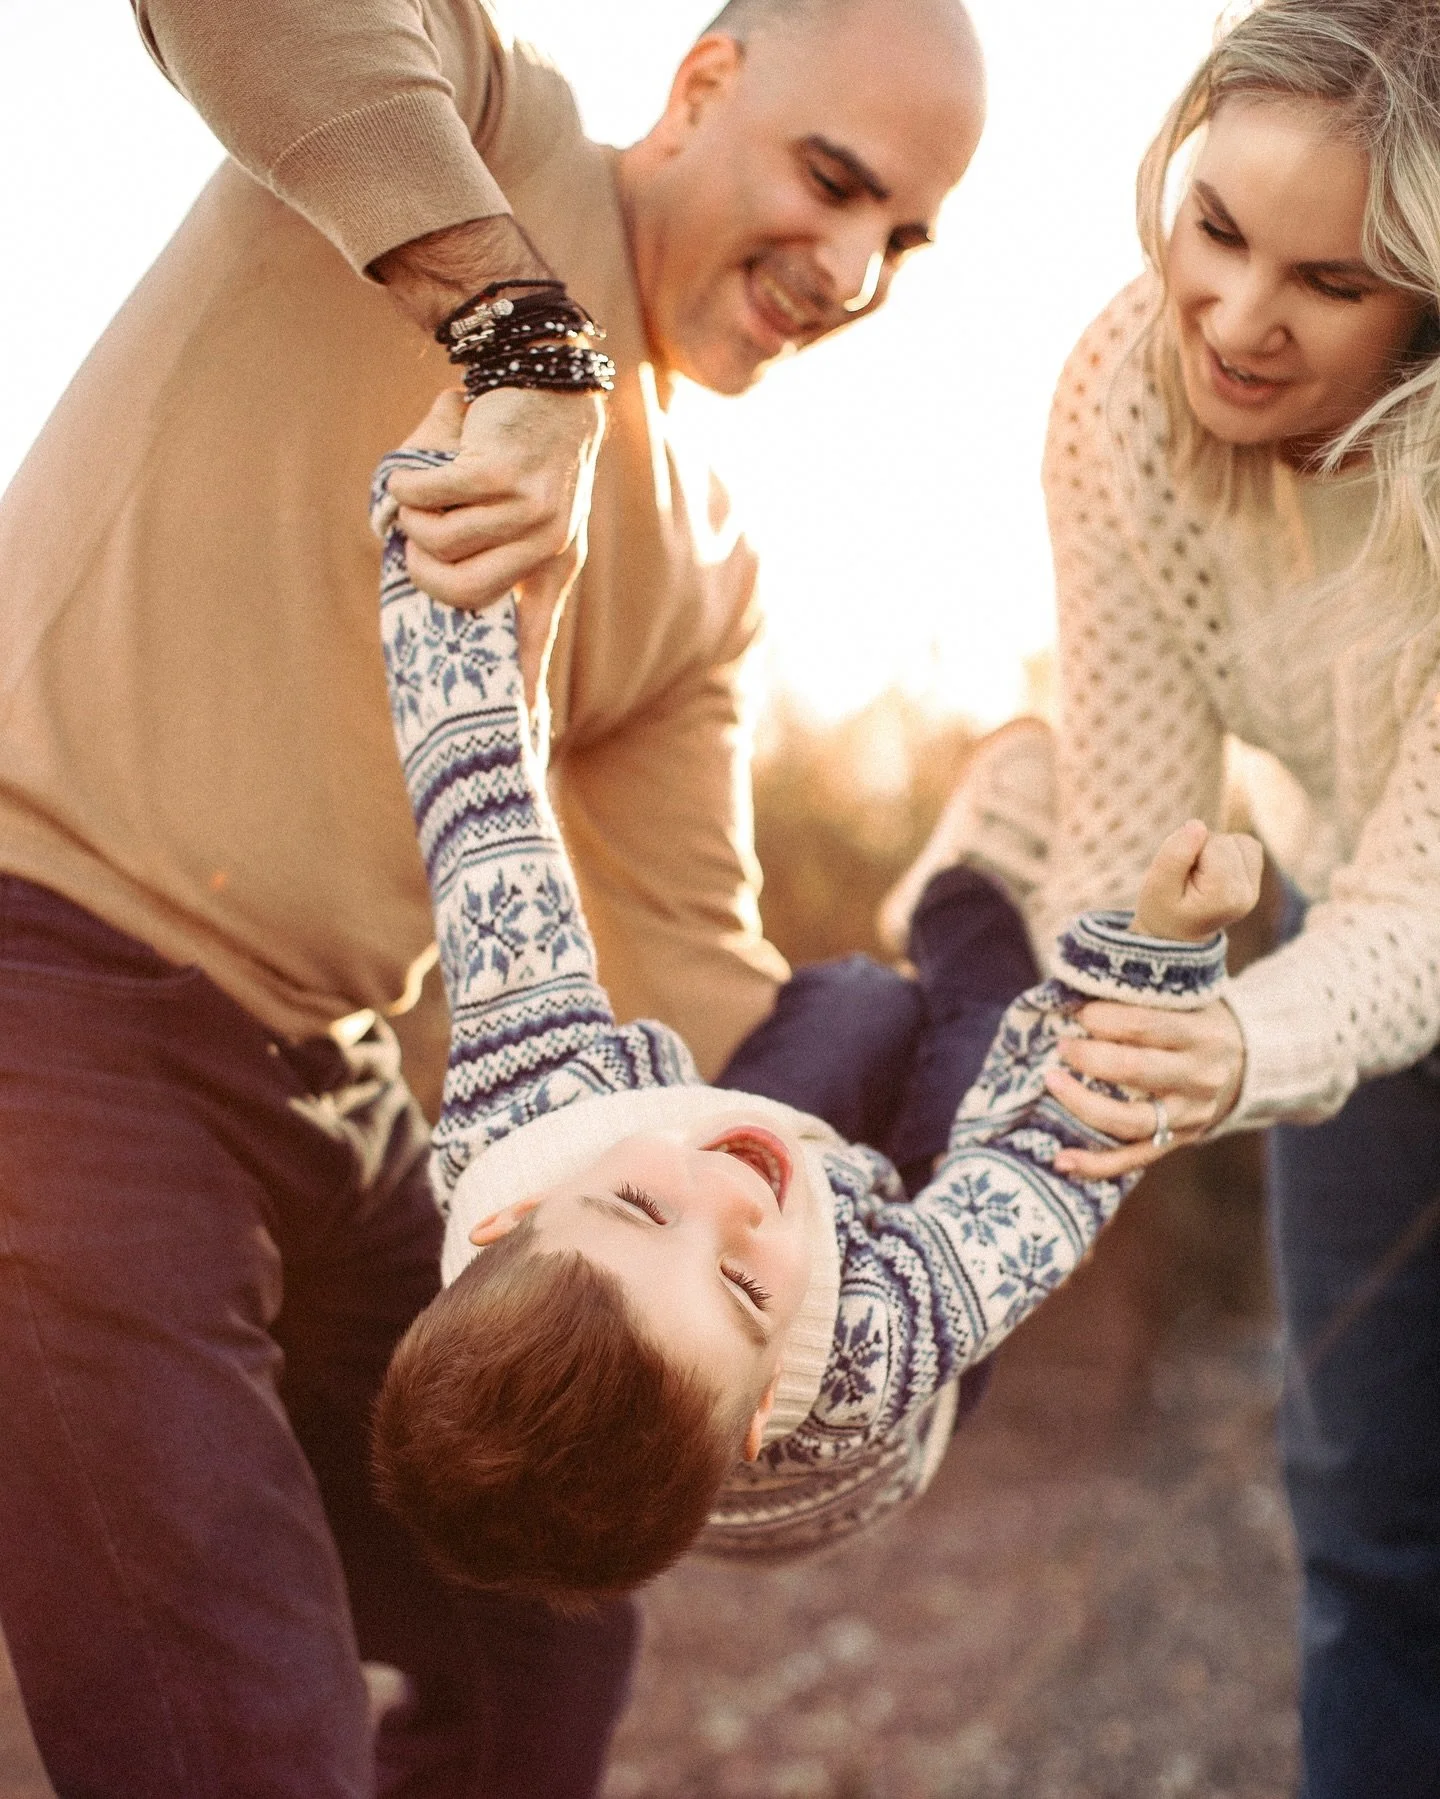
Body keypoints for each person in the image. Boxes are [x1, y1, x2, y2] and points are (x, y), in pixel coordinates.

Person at [0, 2, 985, 1795]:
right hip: (40, 990)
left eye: (901, 239)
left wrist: (974, 1022)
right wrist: (526, 343)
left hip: (326, 1078)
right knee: (242, 1738)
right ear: (701, 88)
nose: (852, 264)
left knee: (539, 1615)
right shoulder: (481, 118)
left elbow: (699, 993)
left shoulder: (700, 557)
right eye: (837, 181)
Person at [365, 436, 1262, 1606]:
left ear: (514, 1212)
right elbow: (1050, 1160)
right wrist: (1153, 955)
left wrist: (447, 553)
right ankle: (969, 890)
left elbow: (481, 820)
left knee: (862, 1007)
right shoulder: (872, 1353)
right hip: (907, 1358)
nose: (730, 1197)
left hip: (786, 1252)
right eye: (738, 1287)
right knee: (985, 1035)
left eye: (640, 1203)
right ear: (756, 1409)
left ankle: (913, 945)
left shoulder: (524, 1110)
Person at [883, 4, 1440, 1794]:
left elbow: (1426, 905)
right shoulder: (1123, 391)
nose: (1236, 315)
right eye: (1215, 228)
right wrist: (1011, 931)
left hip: (1391, 926)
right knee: (1362, 1509)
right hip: (1338, 946)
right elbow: (1129, 846)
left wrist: (1233, 1038)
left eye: (1330, 280)